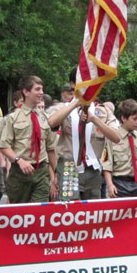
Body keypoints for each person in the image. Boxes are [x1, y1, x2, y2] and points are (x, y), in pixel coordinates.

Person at [47, 68, 120, 201]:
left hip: (92, 166)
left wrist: (94, 120)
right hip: (69, 166)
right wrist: (76, 103)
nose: (87, 85)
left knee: (92, 208)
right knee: (70, 206)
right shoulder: (63, 108)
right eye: (83, 81)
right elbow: (51, 122)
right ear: (73, 84)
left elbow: (116, 137)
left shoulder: (102, 110)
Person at [0, 76, 58, 204]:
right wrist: (19, 160)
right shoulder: (13, 118)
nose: (41, 92)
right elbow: (4, 146)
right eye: (37, 89)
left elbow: (50, 149)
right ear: (26, 92)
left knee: (39, 211)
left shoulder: (46, 118)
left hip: (41, 171)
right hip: (20, 172)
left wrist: (56, 173)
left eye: (42, 89)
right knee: (19, 215)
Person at [102, 99, 137, 197]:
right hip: (120, 184)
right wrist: (110, 184)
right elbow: (106, 163)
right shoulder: (113, 138)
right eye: (134, 119)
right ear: (123, 118)